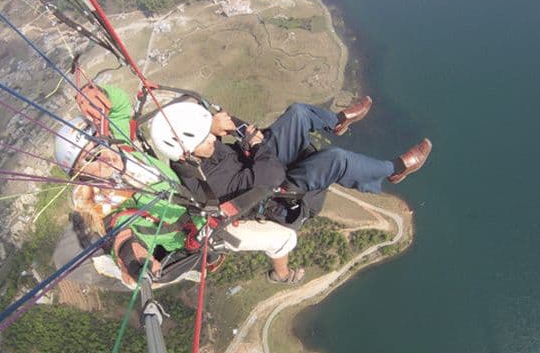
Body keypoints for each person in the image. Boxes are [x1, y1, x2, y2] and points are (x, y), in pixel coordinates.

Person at [55, 84, 306, 286]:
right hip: (198, 230)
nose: (103, 156)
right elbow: (122, 232)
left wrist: (101, 94)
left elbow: (119, 108)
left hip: (195, 195)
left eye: (99, 145)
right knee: (283, 239)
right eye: (90, 159)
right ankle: (281, 276)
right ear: (80, 173)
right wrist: (132, 259)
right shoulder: (100, 204)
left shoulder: (119, 148)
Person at [149, 97, 432, 208]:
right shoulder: (207, 181)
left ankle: (336, 121)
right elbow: (269, 176)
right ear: (185, 151)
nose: (212, 138)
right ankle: (395, 169)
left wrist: (227, 128)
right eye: (205, 138)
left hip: (257, 161)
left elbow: (232, 144)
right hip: (275, 190)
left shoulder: (198, 152)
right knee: (337, 159)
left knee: (298, 112)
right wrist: (257, 145)